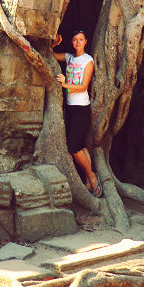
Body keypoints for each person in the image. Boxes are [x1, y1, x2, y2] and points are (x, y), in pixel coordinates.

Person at [52, 29, 103, 198]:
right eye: (75, 39)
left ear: (86, 41)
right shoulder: (69, 57)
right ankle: (89, 181)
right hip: (71, 108)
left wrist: (65, 84)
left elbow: (82, 86)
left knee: (73, 147)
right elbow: (50, 55)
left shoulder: (88, 61)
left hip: (82, 108)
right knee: (80, 145)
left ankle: (92, 176)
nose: (78, 42)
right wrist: (55, 43)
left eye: (81, 39)